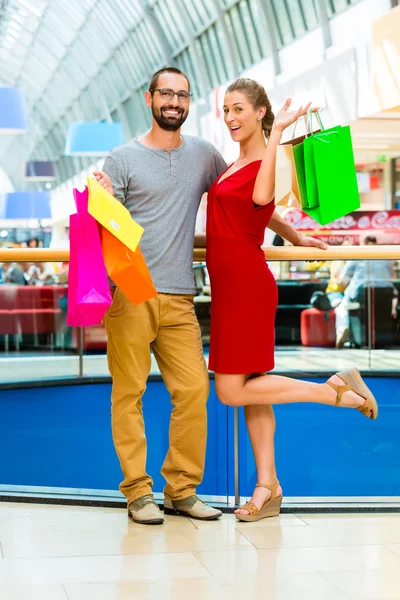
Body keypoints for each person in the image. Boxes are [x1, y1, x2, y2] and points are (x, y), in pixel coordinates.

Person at [94, 68, 327, 526]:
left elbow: (252, 197)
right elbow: (107, 224)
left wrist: (298, 237)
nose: (174, 102)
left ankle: (181, 490)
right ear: (150, 98)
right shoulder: (120, 159)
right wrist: (98, 198)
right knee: (129, 394)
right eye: (166, 94)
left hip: (183, 294)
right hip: (132, 292)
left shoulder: (204, 155)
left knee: (196, 390)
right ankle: (139, 494)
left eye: (182, 95)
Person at [205, 78, 379, 523]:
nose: (230, 118)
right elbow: (261, 211)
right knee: (250, 391)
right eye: (226, 109)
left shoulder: (265, 157)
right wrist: (295, 235)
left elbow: (262, 196)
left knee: (229, 390)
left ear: (261, 111)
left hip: (245, 285)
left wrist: (279, 131)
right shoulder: (238, 161)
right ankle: (268, 486)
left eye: (239, 108)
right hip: (232, 286)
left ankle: (332, 391)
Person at [335, 235, 399, 347]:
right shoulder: (386, 256)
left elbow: (342, 280)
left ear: (362, 243)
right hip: (386, 295)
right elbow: (393, 277)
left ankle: (343, 327)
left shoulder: (357, 256)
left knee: (341, 305)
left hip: (361, 294)